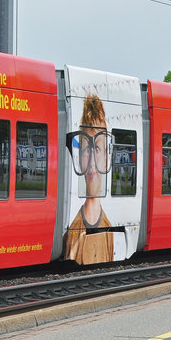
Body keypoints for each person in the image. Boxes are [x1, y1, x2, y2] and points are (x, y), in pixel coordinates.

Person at [64, 94, 115, 265]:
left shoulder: (109, 229)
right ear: (79, 158)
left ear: (107, 158)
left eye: (98, 149)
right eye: (87, 149)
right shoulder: (72, 232)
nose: (92, 162)